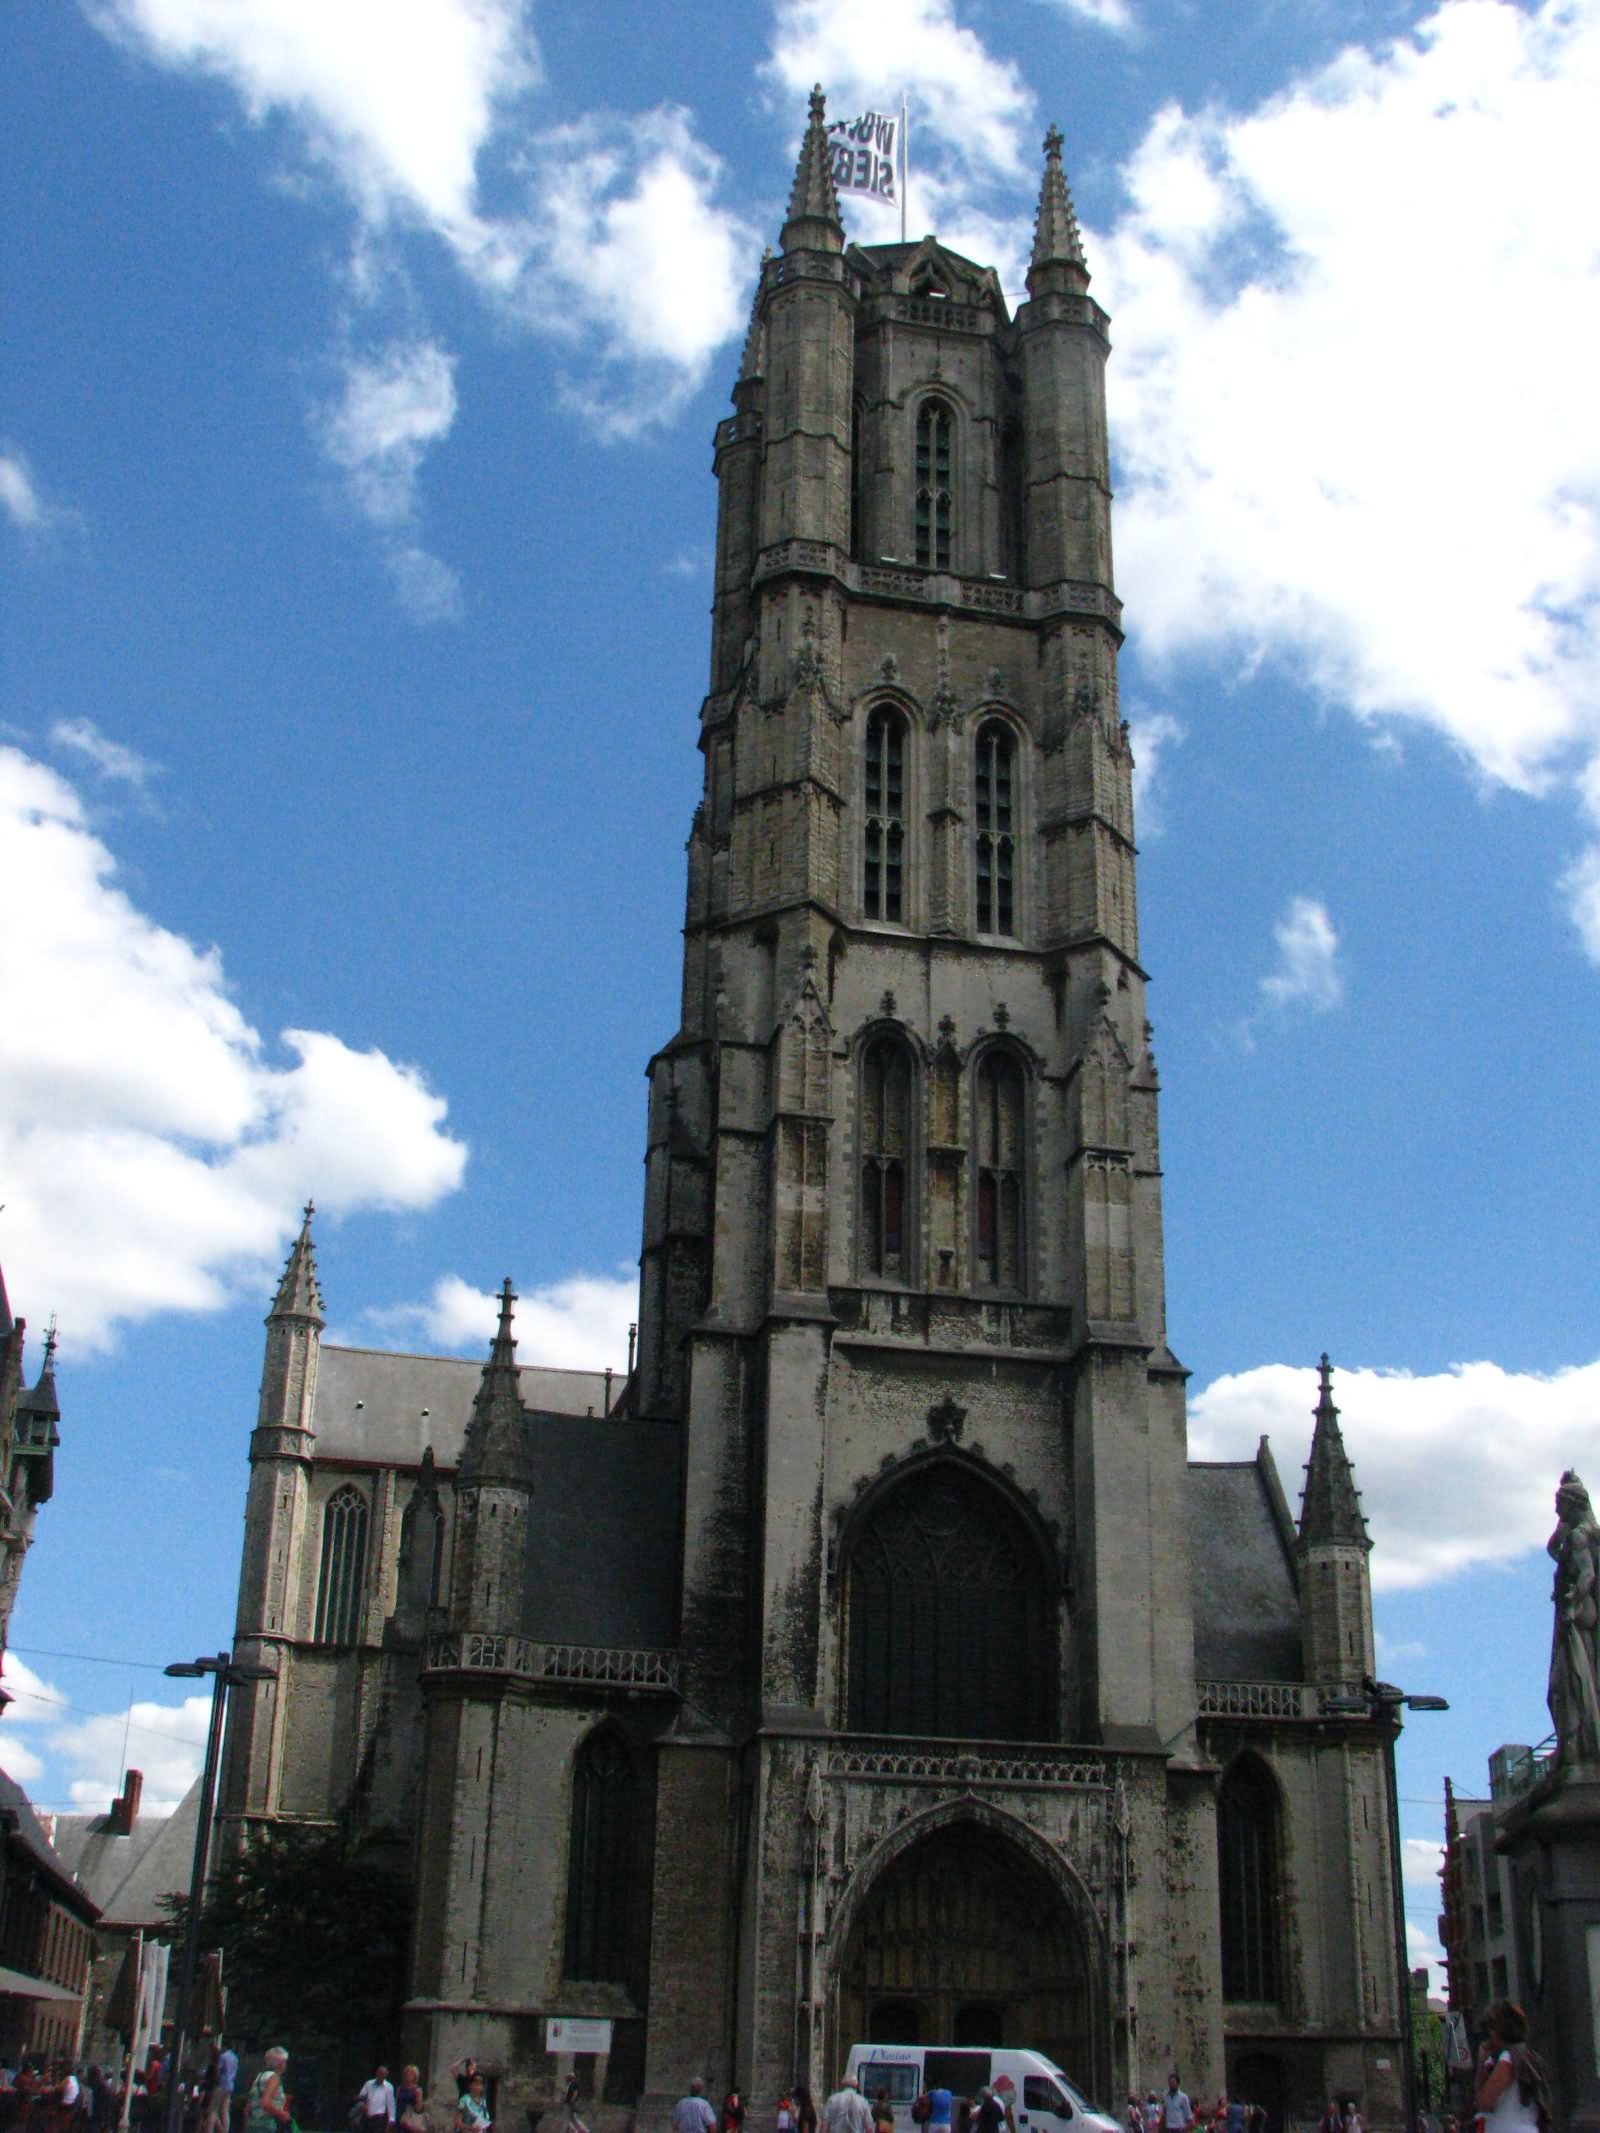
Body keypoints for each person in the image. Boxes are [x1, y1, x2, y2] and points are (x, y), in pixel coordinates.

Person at [1476, 2001, 1548, 2133]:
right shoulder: (1526, 2055)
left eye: (1491, 2027)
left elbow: (1485, 2102)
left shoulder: (1508, 2059)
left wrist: (1481, 2062)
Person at [245, 2052, 291, 2133]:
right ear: (281, 2063)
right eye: (285, 2062)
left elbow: (247, 2108)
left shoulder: (258, 2077)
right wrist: (282, 2114)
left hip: (252, 2125)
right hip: (268, 2125)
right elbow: (265, 2102)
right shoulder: (274, 2078)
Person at [202, 2046, 238, 2133]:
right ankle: (225, 2130)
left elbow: (217, 2070)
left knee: (213, 2110)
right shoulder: (235, 2058)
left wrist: (215, 2080)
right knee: (225, 2111)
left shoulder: (223, 2057)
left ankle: (209, 2130)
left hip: (221, 2085)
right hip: (230, 2086)